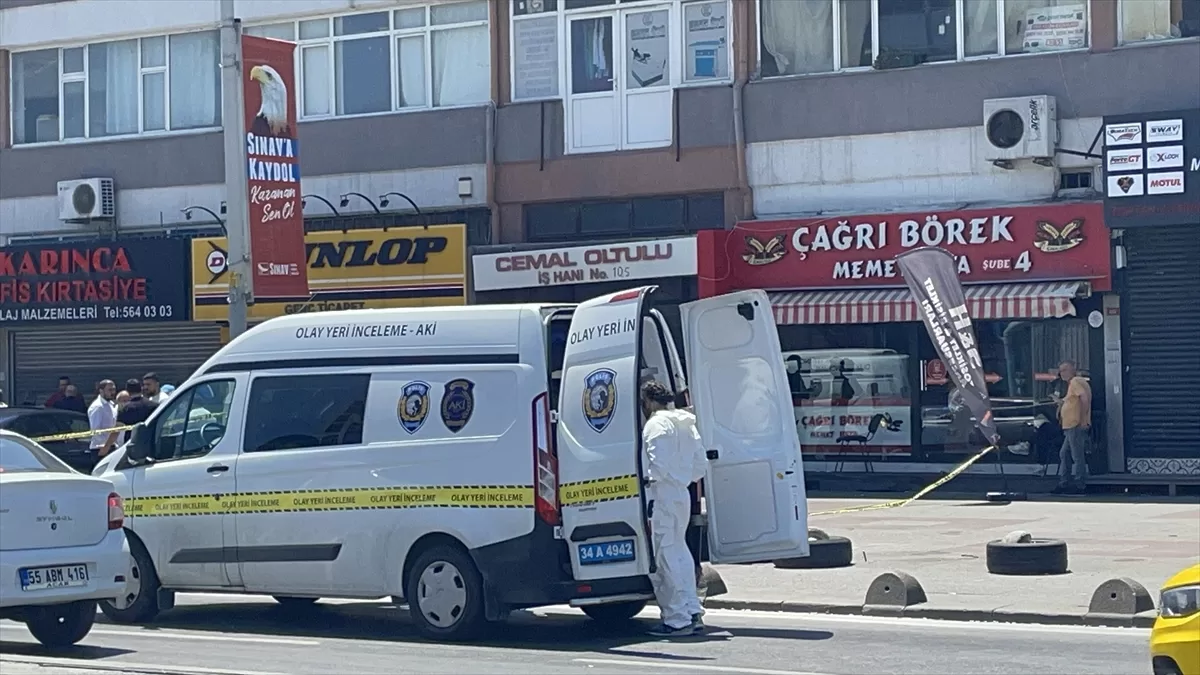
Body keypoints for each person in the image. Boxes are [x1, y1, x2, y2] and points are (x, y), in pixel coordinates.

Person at [640, 380, 706, 637]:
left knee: (665, 556)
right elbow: (699, 465)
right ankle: (692, 610)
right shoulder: (686, 423)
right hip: (681, 493)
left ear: (648, 401)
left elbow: (657, 465)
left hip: (662, 495)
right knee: (680, 551)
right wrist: (682, 478)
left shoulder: (655, 425)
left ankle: (677, 618)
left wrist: (647, 480)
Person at [1052, 360, 1092, 494]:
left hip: (1075, 424)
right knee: (1065, 453)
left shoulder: (1075, 382)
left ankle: (1079, 484)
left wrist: (1083, 418)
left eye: (1064, 370)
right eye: (1060, 371)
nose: (1061, 373)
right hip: (1071, 425)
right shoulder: (1075, 384)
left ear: (1072, 369)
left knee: (1077, 455)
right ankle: (1064, 482)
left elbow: (1084, 398)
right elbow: (1072, 401)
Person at [88, 380, 119, 460]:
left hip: (111, 446)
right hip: (100, 448)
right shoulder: (98, 407)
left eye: (114, 389)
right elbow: (95, 430)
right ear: (101, 391)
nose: (113, 392)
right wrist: (105, 448)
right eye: (110, 390)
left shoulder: (111, 404)